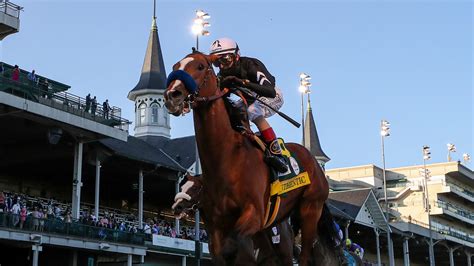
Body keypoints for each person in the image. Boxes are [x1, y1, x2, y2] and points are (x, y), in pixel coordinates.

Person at [209, 37, 287, 173]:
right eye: (217, 62)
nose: (221, 66)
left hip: (272, 96)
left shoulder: (251, 65)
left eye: (225, 59)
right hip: (250, 101)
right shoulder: (221, 75)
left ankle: (277, 154)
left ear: (236, 55)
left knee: (252, 111)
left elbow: (269, 91)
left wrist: (242, 82)